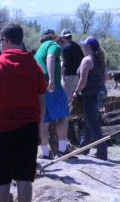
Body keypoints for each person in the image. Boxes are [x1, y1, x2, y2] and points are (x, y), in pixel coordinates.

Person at [0, 23, 46, 202]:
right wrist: (39, 128)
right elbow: (42, 103)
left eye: (1, 40)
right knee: (24, 178)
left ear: (6, 40)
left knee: (2, 180)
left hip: (1, 128)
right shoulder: (34, 66)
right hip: (29, 126)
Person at [35, 29, 70, 158]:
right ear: (53, 37)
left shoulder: (39, 50)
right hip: (52, 87)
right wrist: (51, 78)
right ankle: (62, 150)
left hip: (40, 89)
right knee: (63, 117)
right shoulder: (53, 45)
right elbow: (51, 57)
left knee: (45, 120)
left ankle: (45, 153)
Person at [73, 37, 108, 160]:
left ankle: (102, 152)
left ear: (88, 47)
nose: (83, 48)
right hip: (101, 94)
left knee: (92, 124)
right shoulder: (100, 59)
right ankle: (84, 149)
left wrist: (76, 93)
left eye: (84, 46)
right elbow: (105, 79)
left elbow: (83, 81)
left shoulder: (87, 60)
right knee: (89, 122)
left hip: (91, 95)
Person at [59, 29, 84, 146]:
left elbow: (65, 64)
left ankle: (67, 135)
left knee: (66, 105)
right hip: (78, 77)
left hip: (68, 77)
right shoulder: (77, 47)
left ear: (63, 37)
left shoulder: (65, 48)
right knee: (75, 104)